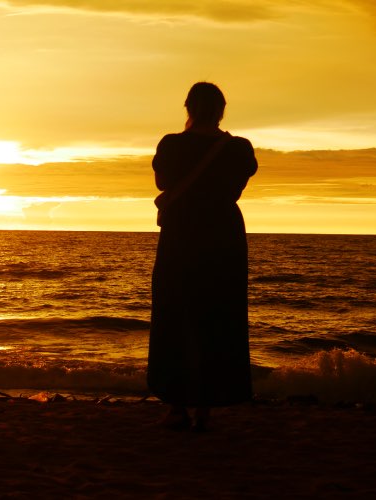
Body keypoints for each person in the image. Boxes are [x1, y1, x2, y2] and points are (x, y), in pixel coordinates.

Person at [148, 82, 257, 431]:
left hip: (182, 235)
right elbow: (238, 184)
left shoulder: (172, 145)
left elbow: (163, 181)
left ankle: (177, 407)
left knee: (175, 317)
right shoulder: (238, 149)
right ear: (221, 110)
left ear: (188, 109)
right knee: (219, 318)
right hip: (223, 235)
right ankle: (207, 409)